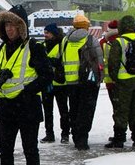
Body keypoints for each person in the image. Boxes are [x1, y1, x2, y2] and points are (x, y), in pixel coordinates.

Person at [0, 5, 52, 165]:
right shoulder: (2, 49)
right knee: (5, 151)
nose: (9, 29)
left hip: (27, 107)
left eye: (13, 25)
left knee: (30, 150)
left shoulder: (35, 48)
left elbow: (47, 76)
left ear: (21, 26)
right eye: (6, 25)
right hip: (6, 107)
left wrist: (28, 91)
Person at [105, 15, 135, 149]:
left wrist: (118, 79)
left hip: (123, 84)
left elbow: (112, 65)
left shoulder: (119, 42)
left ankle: (119, 139)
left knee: (121, 111)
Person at [61, 14, 104, 150]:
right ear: (86, 26)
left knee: (73, 110)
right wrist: (99, 78)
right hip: (86, 82)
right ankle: (82, 139)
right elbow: (99, 61)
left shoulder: (65, 41)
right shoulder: (91, 39)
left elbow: (61, 59)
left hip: (70, 83)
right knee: (85, 112)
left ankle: (76, 136)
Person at [39, 23, 68, 143]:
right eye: (45, 32)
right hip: (47, 83)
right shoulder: (41, 46)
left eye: (48, 33)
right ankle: (49, 134)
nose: (45, 35)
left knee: (63, 111)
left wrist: (48, 61)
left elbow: (61, 62)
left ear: (54, 34)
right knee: (47, 111)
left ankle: (65, 134)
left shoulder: (62, 45)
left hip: (60, 83)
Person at [99, 19, 120, 134]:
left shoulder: (103, 42)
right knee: (127, 107)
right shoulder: (125, 40)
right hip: (125, 80)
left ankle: (118, 132)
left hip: (110, 82)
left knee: (116, 108)